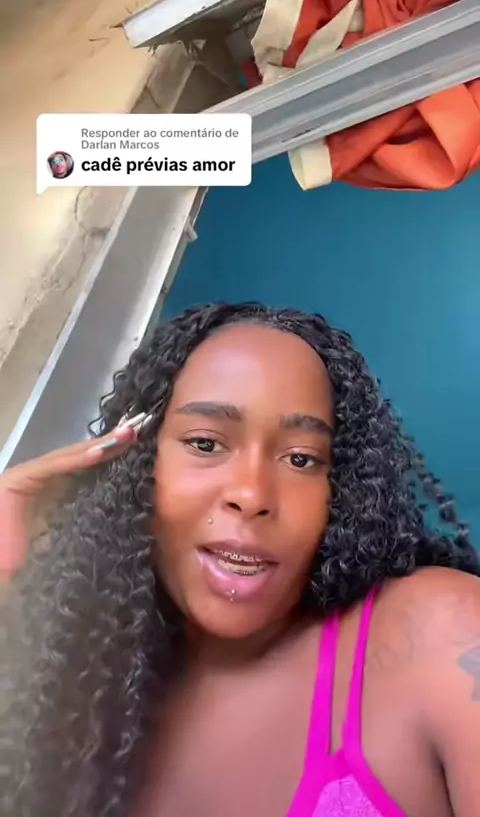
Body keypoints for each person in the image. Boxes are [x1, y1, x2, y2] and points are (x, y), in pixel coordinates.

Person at [1, 301, 480, 817]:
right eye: (206, 444)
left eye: (301, 458)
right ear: (135, 466)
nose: (251, 495)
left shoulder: (442, 634)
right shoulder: (81, 693)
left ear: (340, 490)